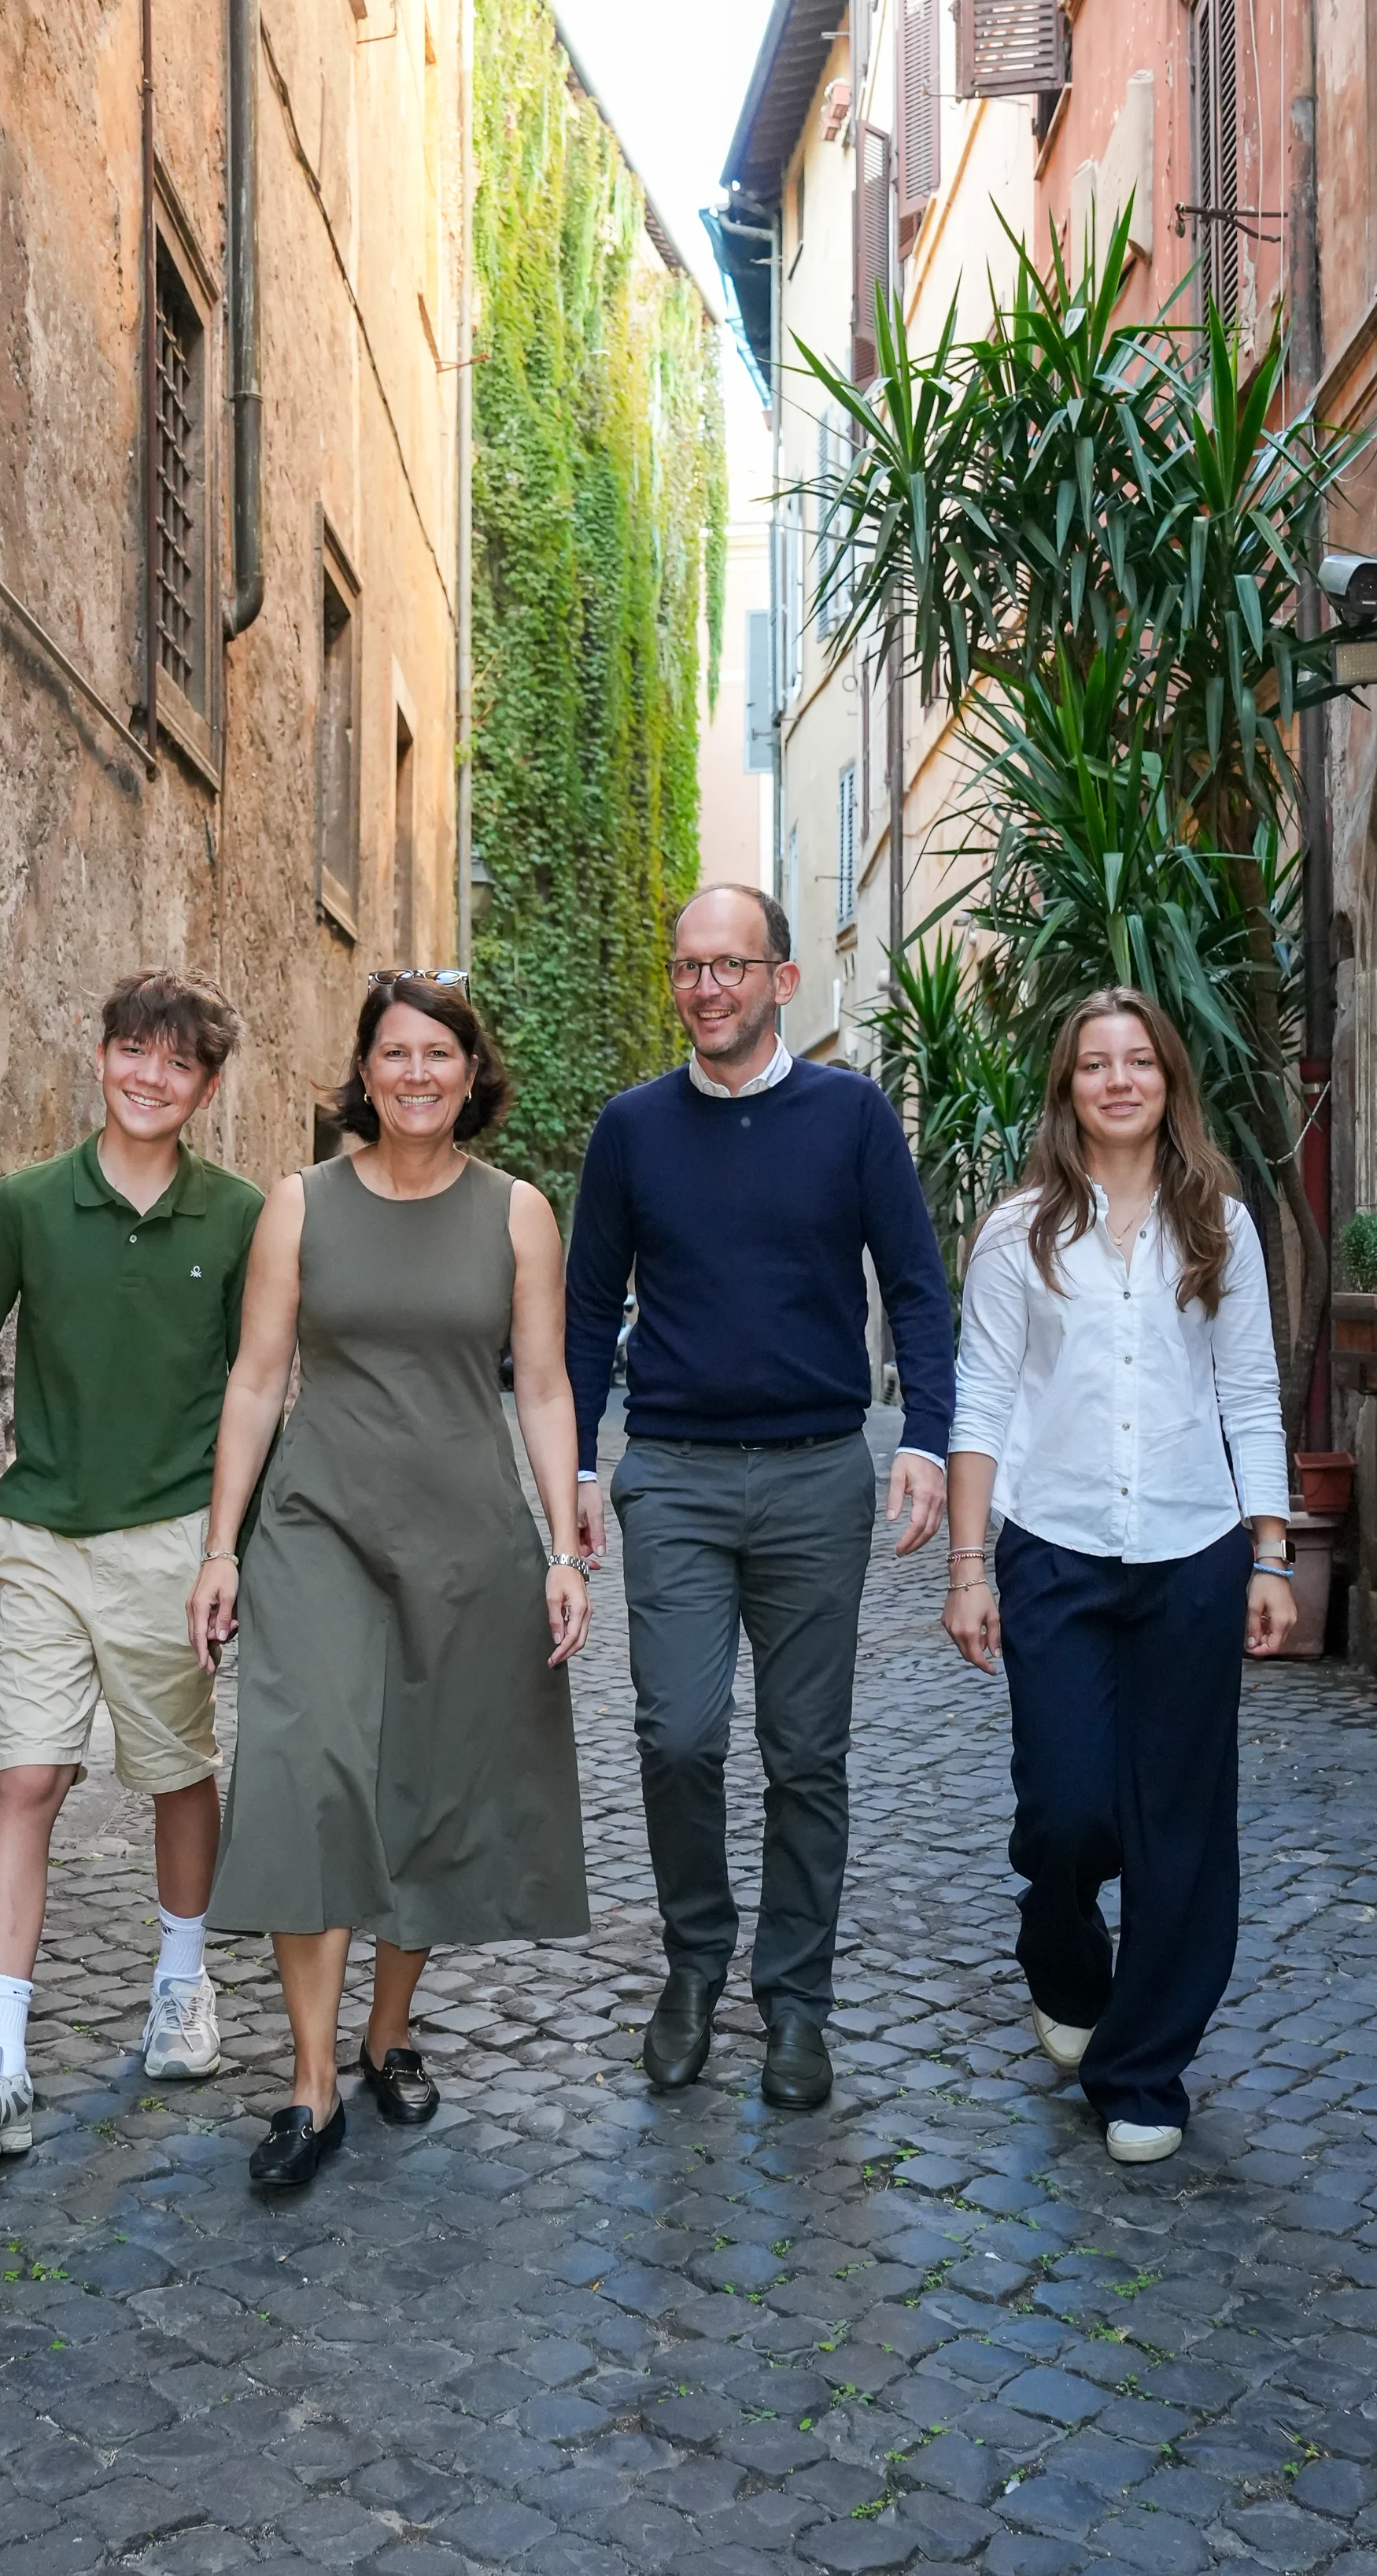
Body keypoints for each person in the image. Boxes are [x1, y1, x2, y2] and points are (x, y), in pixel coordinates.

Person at [192, 974, 591, 2190]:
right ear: (362, 1073)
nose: (416, 1075)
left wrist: (564, 1549)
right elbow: (258, 1380)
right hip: (316, 1528)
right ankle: (311, 2086)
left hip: (468, 1539)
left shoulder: (519, 1213)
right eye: (394, 1054)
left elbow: (542, 1385)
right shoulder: (298, 1206)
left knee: (428, 1784)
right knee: (310, 1772)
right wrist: (221, 1544)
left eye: (440, 1055)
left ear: (471, 1076)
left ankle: (388, 2030)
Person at [566, 885, 954, 2111]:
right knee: (674, 1737)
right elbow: (583, 1308)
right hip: (672, 1474)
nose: (706, 989)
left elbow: (916, 1285)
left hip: (814, 1474)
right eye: (688, 968)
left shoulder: (848, 1118)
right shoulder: (631, 1129)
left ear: (781, 980)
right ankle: (692, 1966)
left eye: (731, 967)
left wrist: (928, 1442)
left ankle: (795, 2001)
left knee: (806, 1754)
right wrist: (578, 1464)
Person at [0, 970, 261, 2160]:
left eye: (178, 1064)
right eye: (134, 1053)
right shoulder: (25, 1205)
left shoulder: (241, 1216)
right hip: (42, 1537)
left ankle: (180, 1982)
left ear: (205, 1088)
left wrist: (230, 1547)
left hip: (170, 1539)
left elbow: (255, 1394)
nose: (150, 1079)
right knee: (26, 1780)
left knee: (175, 1774)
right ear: (101, 1055)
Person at [942, 985, 1294, 2167]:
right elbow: (981, 1400)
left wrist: (1270, 1549)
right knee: (1067, 1807)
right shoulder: (1018, 1231)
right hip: (1054, 1549)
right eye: (1094, 1064)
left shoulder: (1220, 1226)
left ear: (1167, 1081)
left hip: (1193, 1548)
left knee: (1178, 1824)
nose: (1117, 1081)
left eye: (1137, 1061)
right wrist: (966, 1567)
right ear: (1067, 1089)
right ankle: (1060, 1950)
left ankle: (1141, 2069)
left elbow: (1248, 1390)